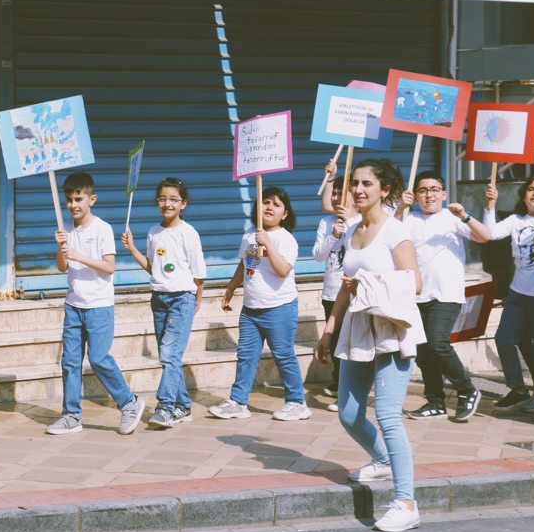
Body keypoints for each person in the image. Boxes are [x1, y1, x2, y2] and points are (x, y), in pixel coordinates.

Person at [314, 158, 424, 532]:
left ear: (385, 190)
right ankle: (381, 461)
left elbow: (416, 283)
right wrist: (329, 329)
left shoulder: (396, 232)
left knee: (389, 414)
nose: (358, 190)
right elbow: (346, 284)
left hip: (391, 326)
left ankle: (406, 501)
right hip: (358, 327)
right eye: (355, 183)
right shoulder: (352, 231)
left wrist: (366, 281)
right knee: (348, 413)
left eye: (367, 184)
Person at [45, 172, 145, 436]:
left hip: (99, 305)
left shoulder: (102, 228)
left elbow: (109, 267)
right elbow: (60, 267)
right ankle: (71, 414)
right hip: (73, 304)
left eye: (78, 199)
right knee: (70, 362)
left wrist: (78, 254)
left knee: (99, 359)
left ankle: (129, 402)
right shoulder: (64, 227)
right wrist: (61, 248)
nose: (73, 205)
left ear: (92, 199)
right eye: (69, 199)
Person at [396, 171, 491, 422]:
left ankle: (467, 389)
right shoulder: (408, 219)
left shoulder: (452, 217)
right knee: (424, 351)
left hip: (446, 294)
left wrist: (466, 215)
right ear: (415, 196)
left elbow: (486, 237)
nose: (429, 194)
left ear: (444, 194)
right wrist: (400, 208)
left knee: (438, 344)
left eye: (434, 189)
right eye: (423, 190)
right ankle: (435, 402)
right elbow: (388, 237)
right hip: (416, 295)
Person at [211, 187, 311, 422]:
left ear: (285, 214)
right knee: (245, 355)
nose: (269, 207)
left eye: (276, 204)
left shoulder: (286, 239)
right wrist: (231, 288)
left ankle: (297, 402)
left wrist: (268, 243)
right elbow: (244, 264)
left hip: (279, 307)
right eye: (265, 202)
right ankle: (238, 402)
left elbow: (283, 269)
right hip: (251, 308)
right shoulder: (249, 235)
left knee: (283, 355)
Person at [122, 177, 206, 429]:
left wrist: (195, 302)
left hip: (182, 299)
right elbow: (153, 268)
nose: (167, 204)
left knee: (169, 354)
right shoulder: (153, 232)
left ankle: (166, 406)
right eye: (162, 198)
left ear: (183, 204)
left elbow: (198, 274)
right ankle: (183, 406)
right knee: (168, 356)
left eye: (173, 199)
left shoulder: (188, 233)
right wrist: (133, 250)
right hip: (159, 299)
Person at [482, 175, 534, 422]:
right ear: (523, 195)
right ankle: (519, 390)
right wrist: (490, 205)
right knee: (504, 338)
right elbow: (490, 234)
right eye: (530, 189)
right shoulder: (515, 220)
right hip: (519, 293)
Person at [313, 172, 359, 409]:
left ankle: (348, 393)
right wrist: (334, 234)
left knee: (350, 344)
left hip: (353, 292)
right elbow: (318, 254)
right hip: (331, 292)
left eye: (344, 192)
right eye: (336, 192)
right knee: (335, 343)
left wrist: (350, 224)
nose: (338, 197)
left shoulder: (361, 222)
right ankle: (341, 384)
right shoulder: (326, 223)